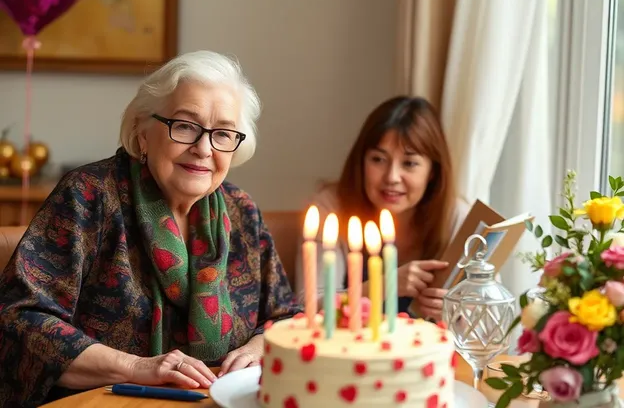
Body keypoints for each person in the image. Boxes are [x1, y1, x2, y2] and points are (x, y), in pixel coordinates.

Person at [0, 51, 301, 407]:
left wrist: (257, 348)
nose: (203, 148)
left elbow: (287, 316)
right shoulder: (89, 196)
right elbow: (19, 320)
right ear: (143, 133)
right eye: (186, 126)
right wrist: (135, 366)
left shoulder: (241, 210)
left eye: (222, 133)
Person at [295, 96, 469, 320]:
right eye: (378, 159)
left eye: (409, 163)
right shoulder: (330, 210)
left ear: (432, 172)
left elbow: (491, 323)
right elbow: (309, 305)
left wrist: (458, 312)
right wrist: (385, 285)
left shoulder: (456, 217)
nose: (392, 177)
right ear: (362, 161)